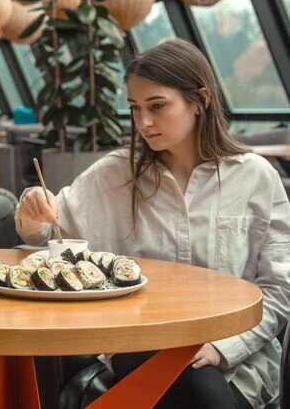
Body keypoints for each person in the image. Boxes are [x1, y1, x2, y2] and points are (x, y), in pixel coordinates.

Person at [16, 39, 289, 408]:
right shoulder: (115, 174)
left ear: (201, 99)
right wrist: (33, 206)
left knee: (197, 385)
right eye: (135, 108)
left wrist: (223, 348)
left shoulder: (256, 178)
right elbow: (46, 230)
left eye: (157, 106)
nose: (143, 122)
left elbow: (278, 288)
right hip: (140, 346)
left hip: (237, 359)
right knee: (184, 377)